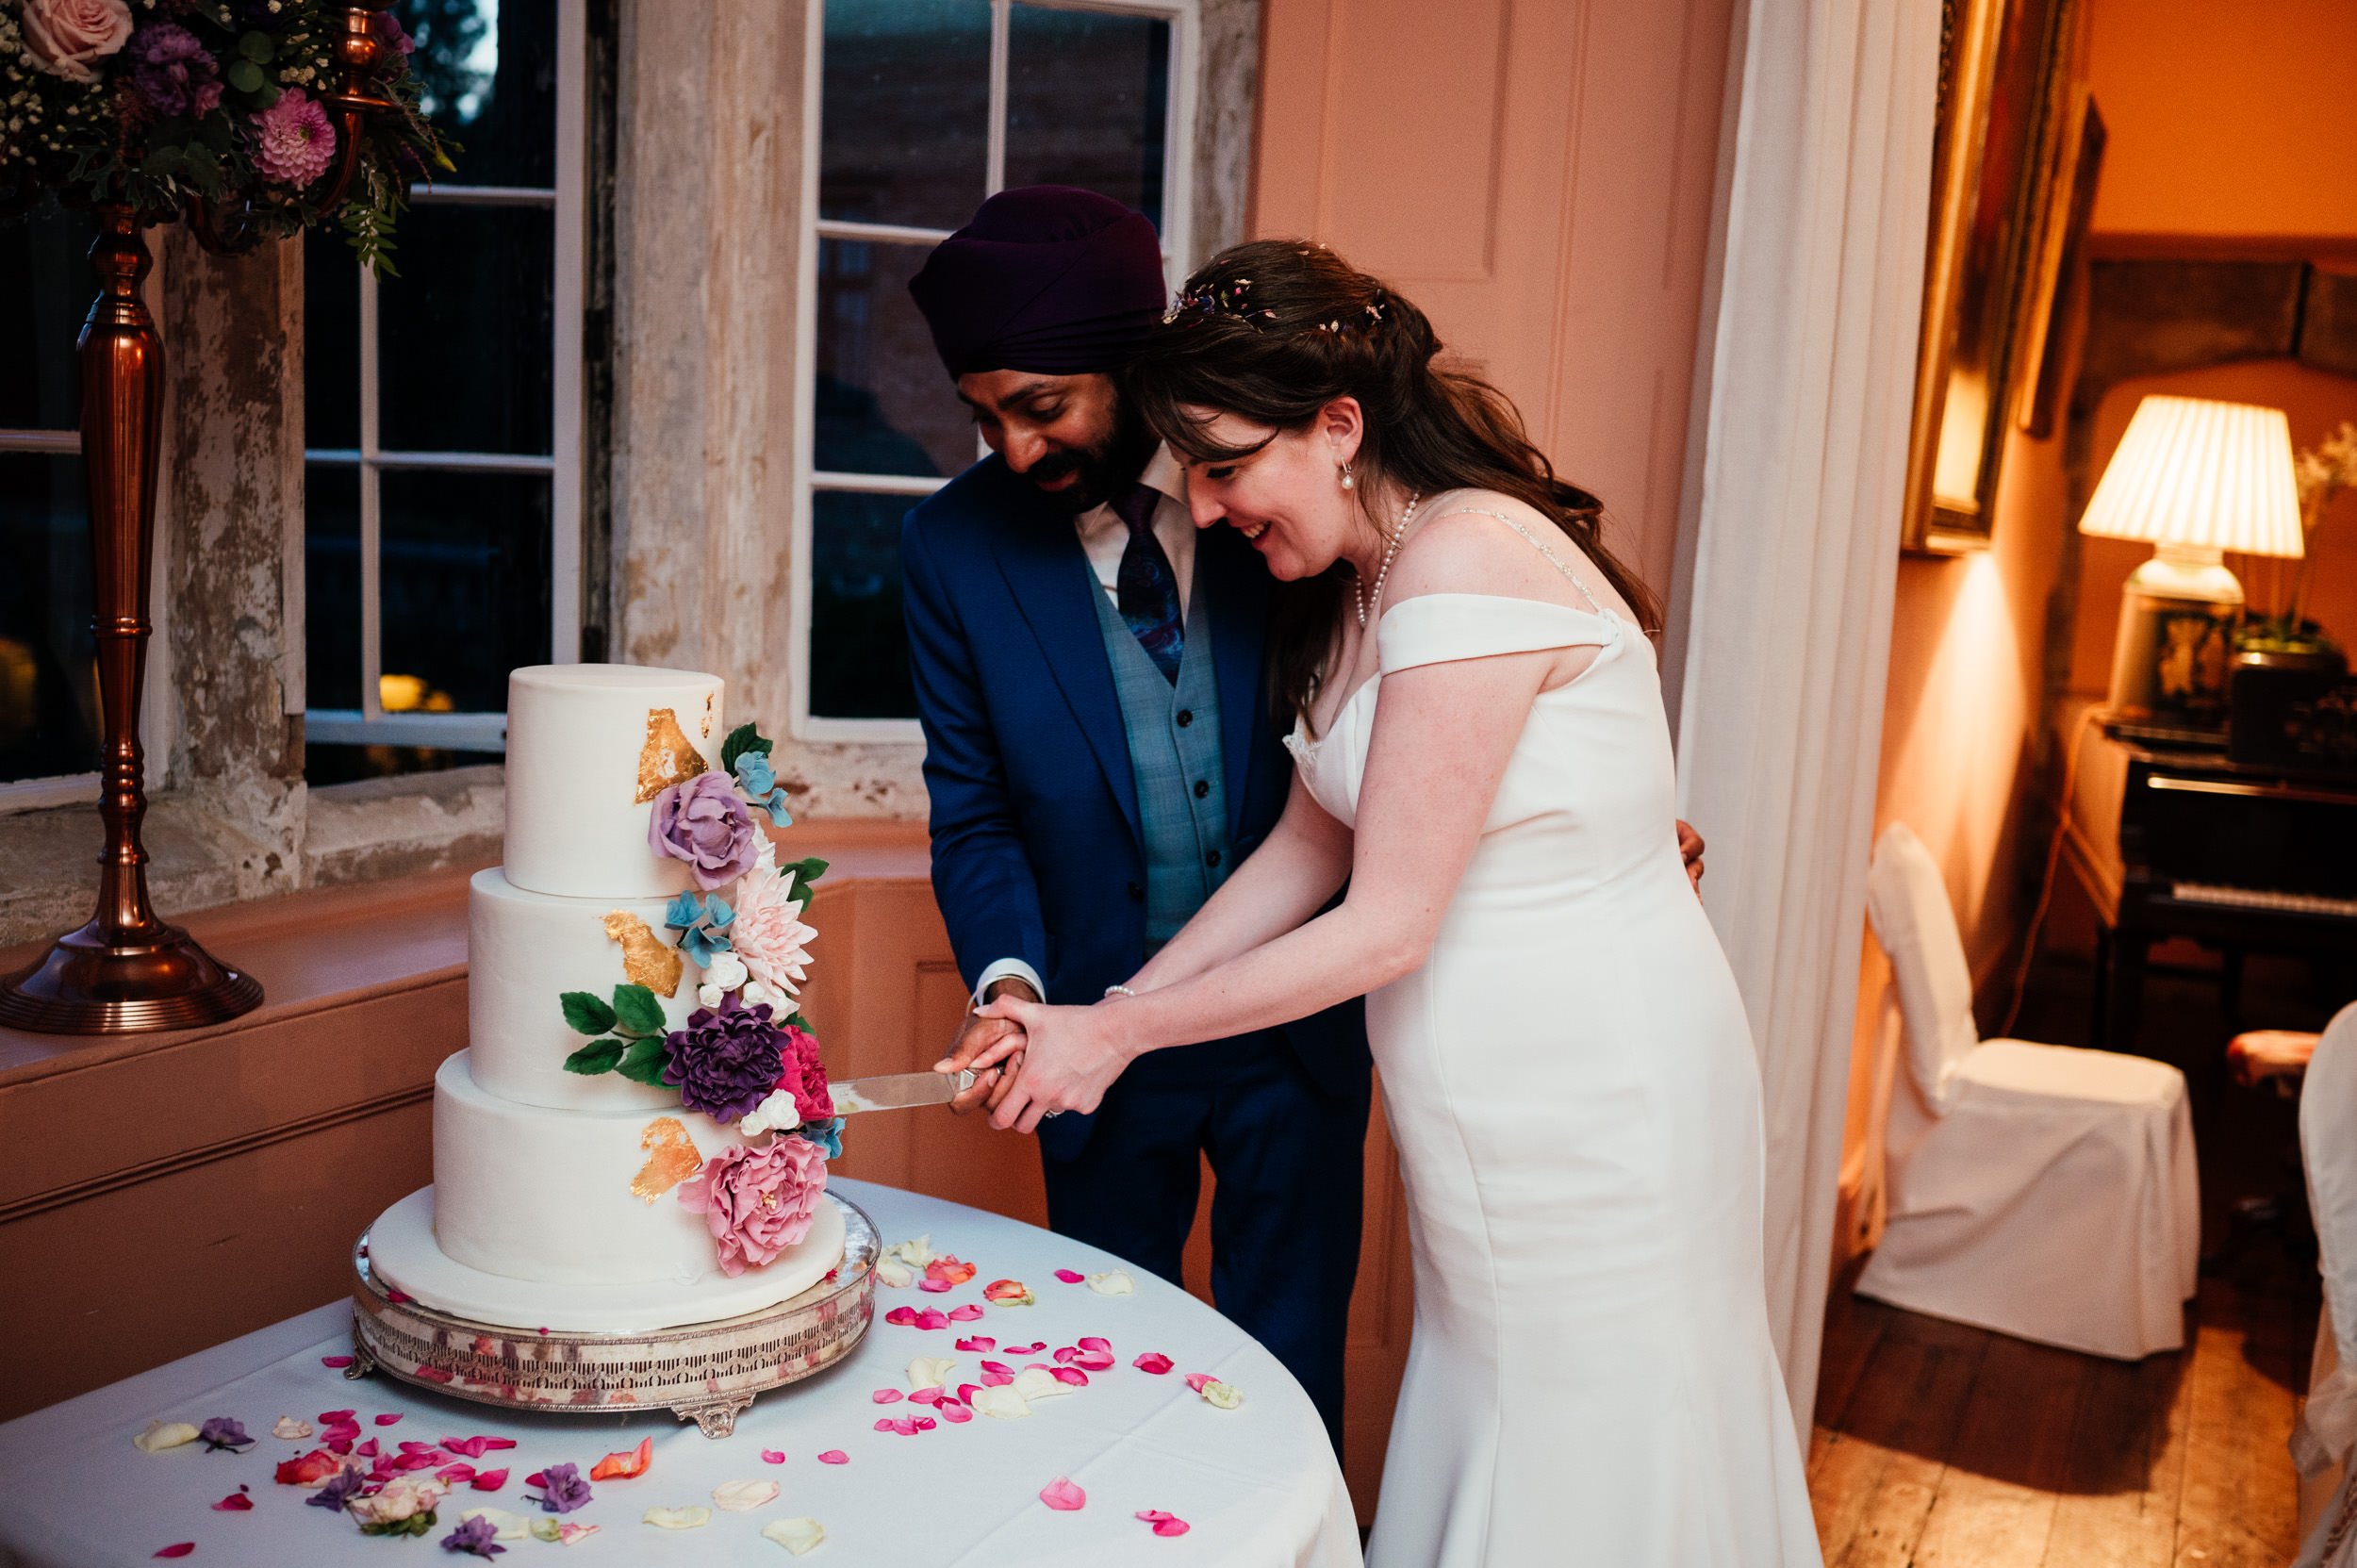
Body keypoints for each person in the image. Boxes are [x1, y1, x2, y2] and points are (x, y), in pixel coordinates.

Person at [971, 240, 1821, 1565]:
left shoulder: (1469, 558)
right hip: (1486, 1108)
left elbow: (1385, 923)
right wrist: (1111, 1006)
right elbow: (1305, 851)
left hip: (1591, 1098)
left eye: (1226, 463)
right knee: (1501, 1409)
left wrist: (1121, 1041)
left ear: (1341, 425)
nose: (1202, 507)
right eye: (1189, 469)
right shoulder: (1366, 582)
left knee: (1592, 1427)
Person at [898, 187, 1376, 1446]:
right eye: (985, 416)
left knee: (1289, 1383)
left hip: (1300, 1030)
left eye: (1041, 407)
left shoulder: (1278, 495)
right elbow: (977, 808)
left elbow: (1425, 700)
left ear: (1126, 366)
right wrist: (1009, 982)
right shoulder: (951, 553)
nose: (1010, 449)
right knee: (1113, 1393)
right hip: (1092, 1042)